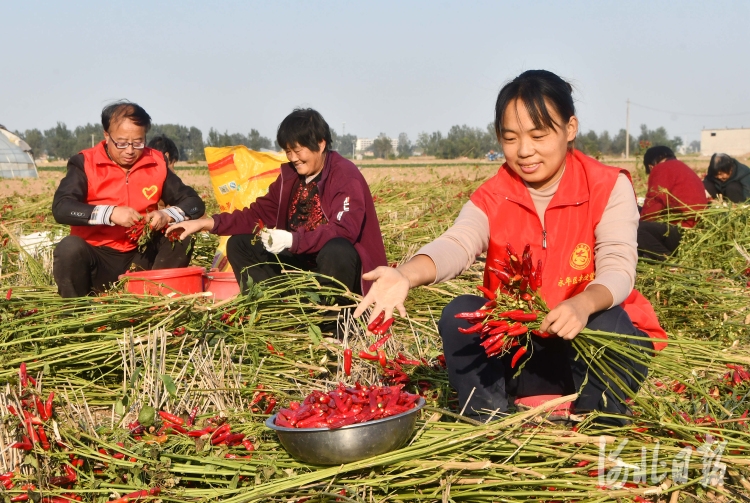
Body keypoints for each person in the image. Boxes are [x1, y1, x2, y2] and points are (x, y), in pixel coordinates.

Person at [354, 70, 667, 424]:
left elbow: (618, 266)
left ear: (570, 129)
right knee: (459, 314)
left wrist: (582, 303)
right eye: (510, 137)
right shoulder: (493, 195)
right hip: (523, 343)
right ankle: (490, 421)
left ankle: (598, 420)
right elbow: (457, 242)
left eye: (539, 135)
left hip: (589, 340)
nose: (524, 151)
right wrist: (406, 275)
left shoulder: (607, 186)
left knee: (608, 322)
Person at [167, 108, 387, 298]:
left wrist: (293, 240)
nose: (292, 158)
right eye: (288, 151)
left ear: (320, 145)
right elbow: (256, 214)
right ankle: (273, 306)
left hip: (334, 268)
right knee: (240, 244)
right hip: (299, 262)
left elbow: (345, 230)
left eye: (298, 150)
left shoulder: (344, 175)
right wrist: (206, 224)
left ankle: (332, 322)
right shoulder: (290, 177)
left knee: (338, 249)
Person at [52, 101, 205, 298]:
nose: (130, 151)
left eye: (138, 142)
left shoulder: (156, 162)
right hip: (98, 258)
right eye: (122, 143)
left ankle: (155, 300)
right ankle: (76, 312)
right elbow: (61, 207)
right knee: (69, 248)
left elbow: (194, 202)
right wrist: (110, 213)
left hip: (141, 255)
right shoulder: (85, 163)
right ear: (107, 135)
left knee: (180, 236)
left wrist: (166, 215)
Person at [637, 146, 708, 260]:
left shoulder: (662, 168)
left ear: (651, 166)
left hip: (683, 231)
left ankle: (668, 260)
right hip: (697, 230)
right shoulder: (682, 167)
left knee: (636, 229)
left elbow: (653, 205)